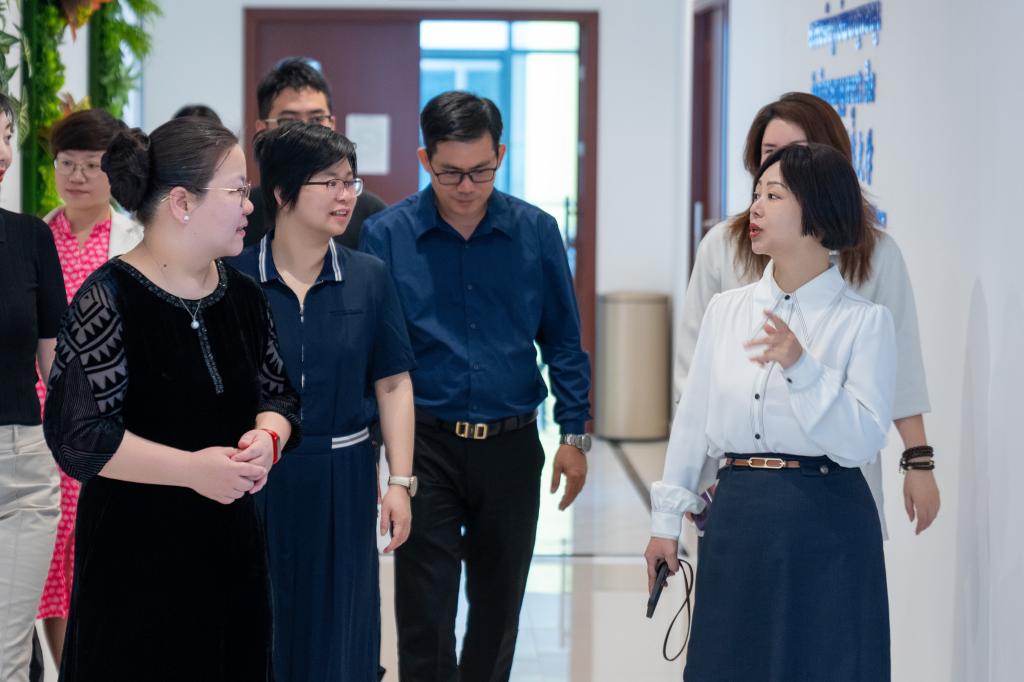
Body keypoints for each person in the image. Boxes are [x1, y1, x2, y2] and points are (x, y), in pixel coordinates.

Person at [42, 117, 300, 681]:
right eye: (237, 191)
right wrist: (190, 471)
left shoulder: (244, 297)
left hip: (231, 556)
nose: (250, 206)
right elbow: (78, 436)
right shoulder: (108, 297)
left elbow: (279, 394)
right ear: (182, 202)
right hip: (134, 561)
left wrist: (268, 438)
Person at [361, 91, 592, 682]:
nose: (467, 187)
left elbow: (564, 340)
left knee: (498, 609)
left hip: (511, 446)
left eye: (481, 171)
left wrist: (574, 434)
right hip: (425, 447)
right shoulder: (387, 236)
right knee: (424, 612)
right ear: (424, 159)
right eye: (450, 173)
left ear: (501, 155)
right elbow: (375, 356)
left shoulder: (536, 232)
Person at [647, 143, 895, 680]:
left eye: (774, 195)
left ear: (818, 211)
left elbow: (861, 441)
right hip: (738, 516)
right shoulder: (727, 311)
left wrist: (802, 367)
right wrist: (665, 522)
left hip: (829, 521)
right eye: (756, 193)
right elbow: (692, 422)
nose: (755, 207)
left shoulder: (864, 322)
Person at [674, 92, 939, 536]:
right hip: (737, 482)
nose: (781, 165)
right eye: (769, 153)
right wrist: (695, 480)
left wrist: (919, 461)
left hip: (836, 477)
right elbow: (692, 378)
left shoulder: (877, 254)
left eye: (798, 152)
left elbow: (901, 369)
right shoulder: (723, 245)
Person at [231, 122, 416, 682]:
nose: (345, 196)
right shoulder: (233, 278)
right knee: (260, 624)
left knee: (341, 628)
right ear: (282, 193)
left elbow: (393, 383)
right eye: (329, 182)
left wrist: (399, 482)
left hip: (344, 473)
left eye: (349, 182)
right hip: (256, 475)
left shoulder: (368, 278)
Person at [34, 108, 144, 667]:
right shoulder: (34, 236)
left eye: (92, 165)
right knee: (50, 563)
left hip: (110, 422)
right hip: (38, 428)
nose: (76, 176)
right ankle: (65, 669)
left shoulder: (137, 240)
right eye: (66, 163)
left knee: (102, 556)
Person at [0, 92, 65, 682]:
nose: (1, 152)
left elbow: (56, 366)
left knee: (6, 652)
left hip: (21, 468)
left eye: (5, 136)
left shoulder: (30, 239)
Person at [245, 57, 388, 250]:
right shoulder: (243, 214)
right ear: (262, 130)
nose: (305, 131)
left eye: (317, 119)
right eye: (289, 121)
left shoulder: (370, 214)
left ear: (332, 125)